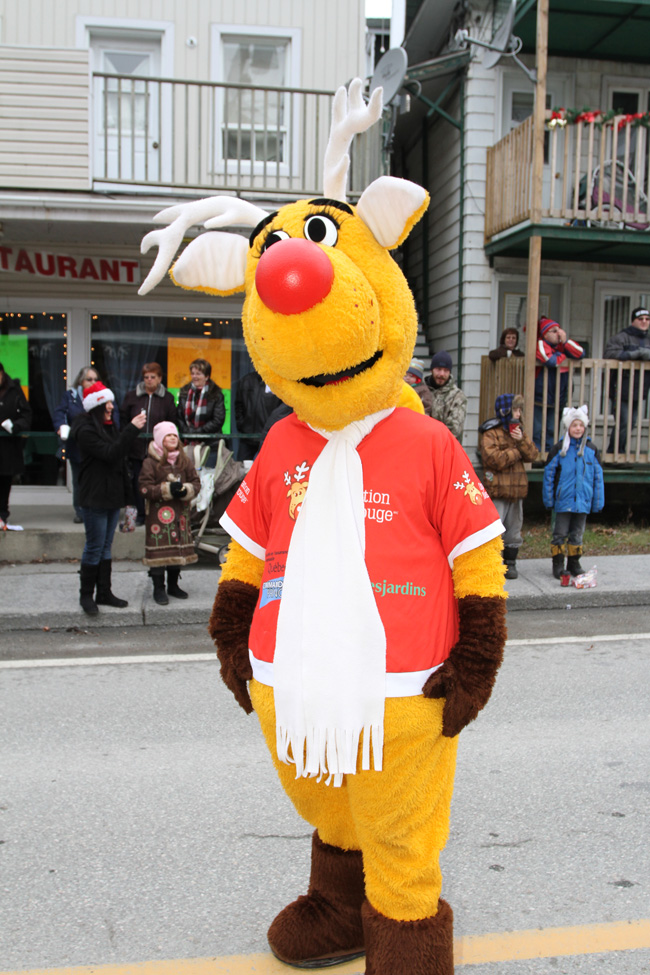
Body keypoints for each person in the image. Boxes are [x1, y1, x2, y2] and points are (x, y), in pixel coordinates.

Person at [71, 381, 146, 615]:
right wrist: (131, 429)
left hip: (112, 495)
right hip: (94, 497)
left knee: (105, 547)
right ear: (97, 405)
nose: (112, 407)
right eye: (108, 403)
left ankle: (104, 593)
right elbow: (110, 452)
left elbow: (120, 461)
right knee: (94, 547)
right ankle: (86, 596)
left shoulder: (108, 426)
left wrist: (128, 499)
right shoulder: (85, 429)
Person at [138, 421, 200, 605]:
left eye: (175, 435)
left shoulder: (184, 460)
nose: (173, 438)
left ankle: (173, 585)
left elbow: (196, 483)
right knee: (159, 552)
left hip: (180, 514)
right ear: (159, 439)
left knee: (177, 549)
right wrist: (166, 490)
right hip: (159, 516)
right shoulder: (150, 462)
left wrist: (186, 489)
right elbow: (144, 488)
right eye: (168, 435)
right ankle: (159, 588)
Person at [479, 394, 538, 580]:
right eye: (515, 410)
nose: (518, 414)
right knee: (494, 530)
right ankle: (492, 563)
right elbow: (494, 459)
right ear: (505, 411)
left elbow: (532, 455)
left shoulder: (519, 432)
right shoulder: (491, 432)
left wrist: (521, 441)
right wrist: (516, 451)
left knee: (514, 530)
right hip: (498, 490)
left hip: (517, 490)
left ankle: (510, 563)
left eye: (520, 410)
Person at [543, 405, 604, 579]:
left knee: (577, 534)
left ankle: (574, 563)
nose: (578, 428)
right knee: (560, 534)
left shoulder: (591, 450)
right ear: (568, 427)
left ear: (585, 427)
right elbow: (549, 476)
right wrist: (549, 500)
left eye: (580, 425)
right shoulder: (559, 449)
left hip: (582, 502)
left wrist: (597, 502)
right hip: (564, 502)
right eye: (574, 425)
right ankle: (558, 564)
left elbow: (598, 478)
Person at [121, 363, 178, 526]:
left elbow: (172, 421)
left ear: (160, 378)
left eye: (153, 377)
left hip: (159, 450)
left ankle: (156, 514)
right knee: (138, 482)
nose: (149, 380)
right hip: (136, 448)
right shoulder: (132, 396)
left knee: (158, 483)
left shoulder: (167, 398)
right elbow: (124, 418)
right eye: (146, 377)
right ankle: (139, 514)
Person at [52, 365, 105, 523]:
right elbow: (60, 412)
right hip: (77, 447)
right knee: (78, 480)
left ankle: (96, 509)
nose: (93, 382)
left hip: (98, 447)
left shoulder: (103, 395)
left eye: (96, 379)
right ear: (81, 382)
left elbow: (112, 415)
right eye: (89, 379)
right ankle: (80, 511)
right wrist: (61, 426)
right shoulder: (70, 396)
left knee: (97, 479)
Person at [534, 316, 584, 452]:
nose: (558, 333)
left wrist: (566, 341)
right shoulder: (540, 343)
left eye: (559, 330)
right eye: (554, 331)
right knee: (537, 428)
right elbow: (550, 360)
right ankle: (536, 455)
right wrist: (564, 357)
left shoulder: (563, 345)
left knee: (552, 428)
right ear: (545, 334)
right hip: (541, 394)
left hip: (559, 395)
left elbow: (580, 353)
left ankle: (551, 454)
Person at [604, 306, 650, 453]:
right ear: (633, 321)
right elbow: (609, 353)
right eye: (640, 319)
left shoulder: (648, 339)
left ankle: (619, 452)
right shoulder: (621, 337)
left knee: (631, 423)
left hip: (640, 389)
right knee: (623, 423)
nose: (644, 322)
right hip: (621, 388)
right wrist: (635, 354)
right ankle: (615, 453)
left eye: (647, 319)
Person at [0, 361, 32, 528]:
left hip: (8, 445)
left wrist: (15, 426)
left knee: (5, 481)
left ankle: (3, 515)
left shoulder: (14, 390)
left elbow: (26, 416)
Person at [234, 369, 281, 461]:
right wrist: (242, 425)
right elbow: (238, 405)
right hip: (247, 436)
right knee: (242, 470)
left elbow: (284, 409)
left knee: (267, 468)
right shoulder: (247, 380)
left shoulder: (279, 382)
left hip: (269, 437)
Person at [177, 358, 226, 448]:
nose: (194, 376)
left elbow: (218, 420)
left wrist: (198, 432)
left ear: (207, 376)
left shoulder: (216, 394)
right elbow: (179, 417)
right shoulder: (184, 392)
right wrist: (188, 432)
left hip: (210, 443)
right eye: (193, 373)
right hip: (188, 442)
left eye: (198, 374)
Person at [424, 350, 467, 441]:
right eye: (438, 369)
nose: (441, 374)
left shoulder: (457, 396)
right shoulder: (421, 392)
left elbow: (454, 429)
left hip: (446, 449)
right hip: (422, 447)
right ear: (432, 370)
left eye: (446, 370)